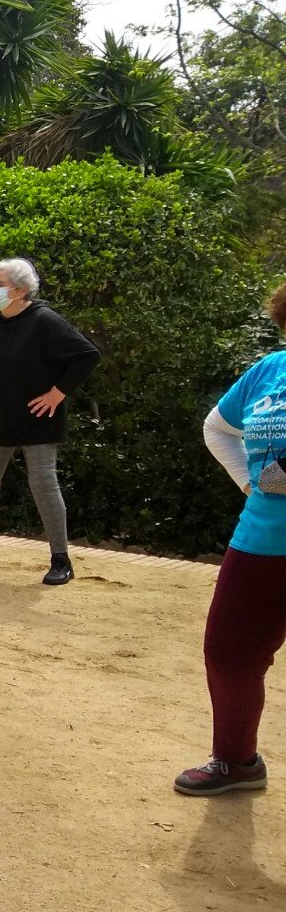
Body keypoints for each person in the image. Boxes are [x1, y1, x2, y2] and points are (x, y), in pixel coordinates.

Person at [174, 281, 286, 796]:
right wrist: (249, 481)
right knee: (229, 652)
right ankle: (237, 762)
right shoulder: (270, 369)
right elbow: (217, 428)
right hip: (260, 539)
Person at [0, 258, 101, 585]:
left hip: (38, 419)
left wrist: (57, 394)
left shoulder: (45, 321)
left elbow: (87, 356)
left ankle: (61, 559)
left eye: (0, 284)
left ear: (20, 290)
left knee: (43, 483)